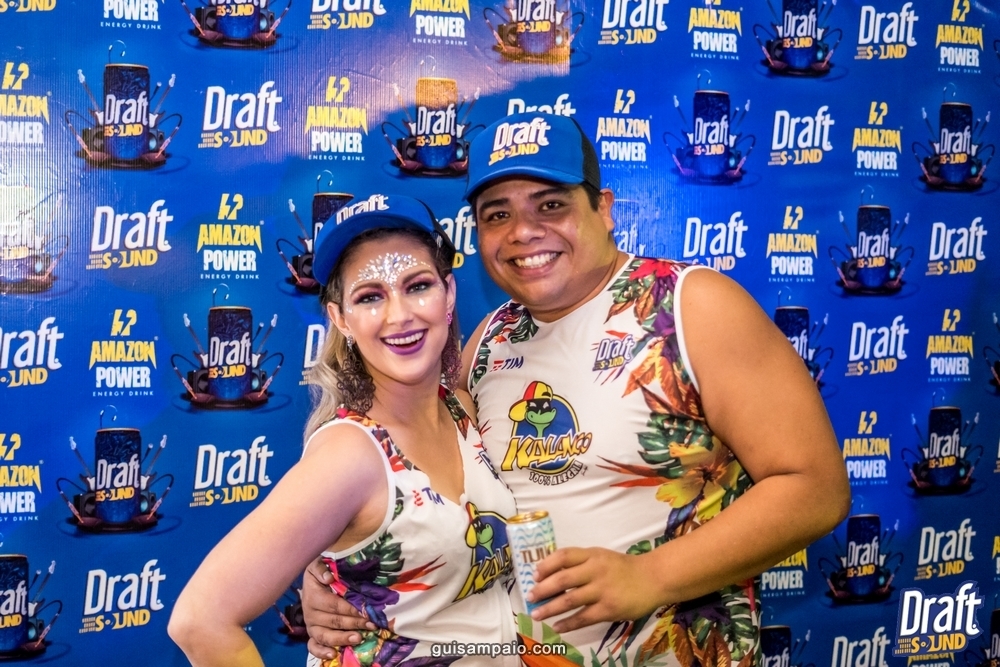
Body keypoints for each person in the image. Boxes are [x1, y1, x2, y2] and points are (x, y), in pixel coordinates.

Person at [301, 114, 851, 666]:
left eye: (550, 204)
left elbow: (816, 489)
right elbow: (416, 492)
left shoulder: (690, 306)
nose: (523, 232)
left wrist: (650, 576)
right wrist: (330, 574)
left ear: (603, 209)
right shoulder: (489, 342)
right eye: (498, 215)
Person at [168, 194, 520, 667]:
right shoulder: (349, 455)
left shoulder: (461, 411)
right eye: (369, 297)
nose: (400, 315)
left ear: (449, 293)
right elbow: (199, 620)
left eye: (418, 286)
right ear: (340, 318)